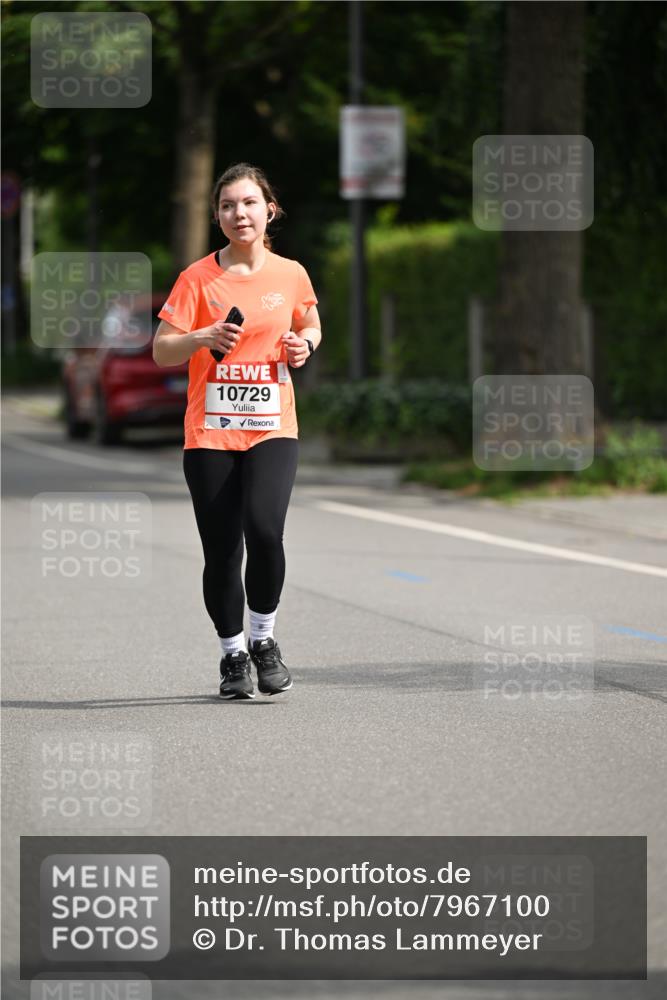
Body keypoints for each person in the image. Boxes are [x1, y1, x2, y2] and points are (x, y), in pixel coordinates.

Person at [153, 163, 321, 700]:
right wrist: (200, 335)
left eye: (248, 203)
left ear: (268, 209)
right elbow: (161, 350)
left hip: (273, 426)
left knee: (265, 530)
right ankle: (232, 656)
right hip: (210, 433)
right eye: (227, 206)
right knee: (223, 551)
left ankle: (264, 642)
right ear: (217, 216)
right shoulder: (197, 279)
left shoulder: (290, 272)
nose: (238, 214)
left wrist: (306, 345)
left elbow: (309, 322)